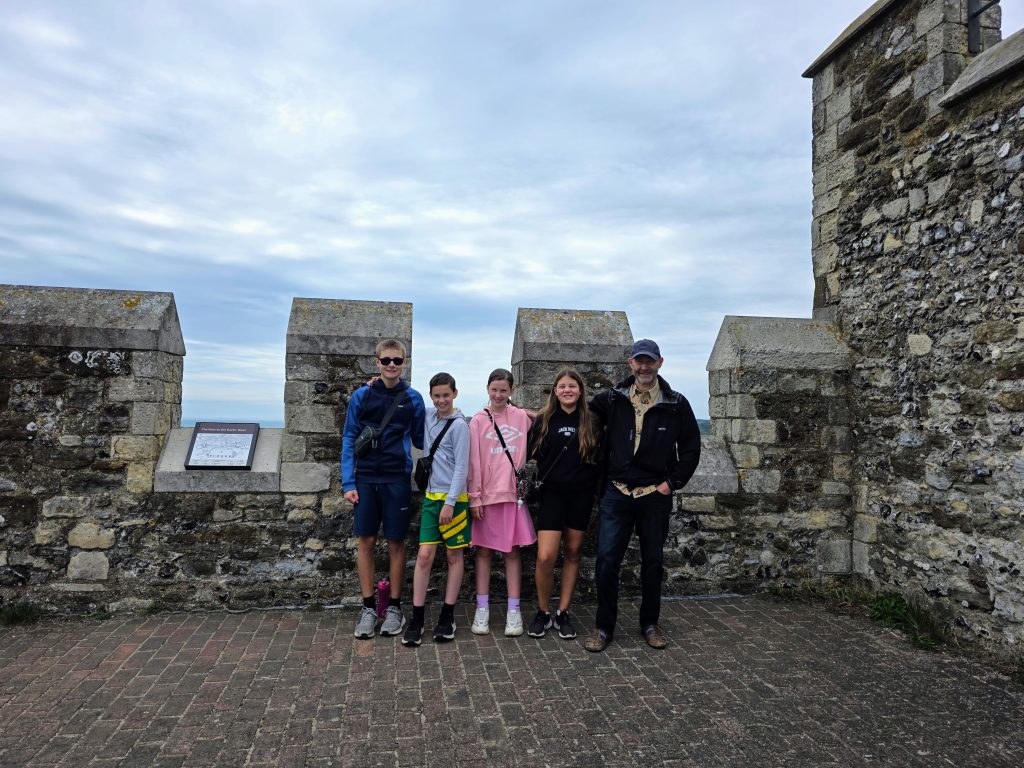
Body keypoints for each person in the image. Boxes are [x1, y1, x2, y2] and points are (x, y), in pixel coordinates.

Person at [584, 339, 701, 652]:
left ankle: (650, 623)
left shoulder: (676, 403)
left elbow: (690, 448)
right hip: (617, 492)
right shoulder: (612, 398)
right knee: (607, 561)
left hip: (654, 493)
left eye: (649, 361)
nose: (644, 367)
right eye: (639, 361)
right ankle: (603, 627)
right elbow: (575, 413)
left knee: (652, 561)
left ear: (660, 363)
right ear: (630, 363)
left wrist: (671, 483)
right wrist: (531, 414)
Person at [341, 340, 425, 640]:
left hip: (396, 479)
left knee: (396, 543)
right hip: (364, 478)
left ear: (405, 363)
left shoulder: (413, 399)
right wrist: (348, 482)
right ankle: (367, 608)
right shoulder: (362, 396)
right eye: (386, 360)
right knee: (365, 540)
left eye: (397, 361)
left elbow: (420, 439)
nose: (392, 365)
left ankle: (393, 607)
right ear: (376, 362)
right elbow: (350, 436)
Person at [526, 368, 600, 641]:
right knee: (545, 556)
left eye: (572, 386)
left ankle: (563, 612)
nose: (567, 390)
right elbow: (528, 456)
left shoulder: (591, 420)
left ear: (580, 390)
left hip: (581, 495)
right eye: (562, 386)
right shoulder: (544, 420)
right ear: (554, 391)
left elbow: (599, 460)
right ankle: (543, 611)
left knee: (572, 553)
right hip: (552, 495)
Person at [402, 373, 471, 647]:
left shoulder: (460, 426)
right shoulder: (429, 415)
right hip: (431, 498)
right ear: (431, 396)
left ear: (455, 394)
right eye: (437, 395)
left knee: (454, 556)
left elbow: (462, 468)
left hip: (454, 501)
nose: (442, 400)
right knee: (424, 556)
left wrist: (451, 503)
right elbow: (407, 397)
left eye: (446, 395)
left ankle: (447, 616)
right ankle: (417, 617)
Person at [467, 368, 536, 637]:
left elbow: (545, 418)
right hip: (486, 497)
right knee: (483, 552)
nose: (498, 395)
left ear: (512, 391)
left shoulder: (521, 417)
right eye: (494, 389)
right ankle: (482, 608)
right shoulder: (478, 421)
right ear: (487, 389)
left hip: (512, 497)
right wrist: (475, 497)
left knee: (512, 553)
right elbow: (474, 461)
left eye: (503, 390)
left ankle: (514, 610)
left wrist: (531, 411)